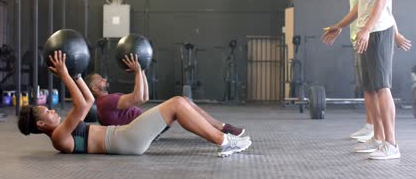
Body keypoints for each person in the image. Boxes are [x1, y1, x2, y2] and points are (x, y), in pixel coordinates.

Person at [18, 51, 252, 157]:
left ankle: (224, 138)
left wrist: (77, 75)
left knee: (179, 104)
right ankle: (224, 141)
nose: (52, 111)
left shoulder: (61, 132)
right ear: (40, 124)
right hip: (124, 140)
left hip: (125, 135)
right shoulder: (59, 137)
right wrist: (65, 75)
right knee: (177, 104)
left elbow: (88, 101)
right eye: (47, 111)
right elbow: (80, 107)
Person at [322, 0, 404, 160]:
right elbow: (361, 5)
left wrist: (366, 30)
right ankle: (379, 139)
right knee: (372, 88)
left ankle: (391, 144)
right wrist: (340, 26)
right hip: (369, 30)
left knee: (382, 88)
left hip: (378, 30)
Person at [84, 53, 245, 137]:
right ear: (94, 88)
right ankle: (221, 134)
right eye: (100, 79)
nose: (104, 79)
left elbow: (144, 97)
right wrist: (138, 71)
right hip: (141, 131)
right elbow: (138, 97)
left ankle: (222, 129)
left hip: (144, 127)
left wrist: (142, 71)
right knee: (178, 102)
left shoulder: (108, 101)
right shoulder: (105, 102)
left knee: (185, 101)